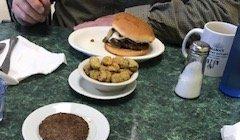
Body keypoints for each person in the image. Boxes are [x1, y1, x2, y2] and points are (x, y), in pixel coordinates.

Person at [11, 0, 240, 44]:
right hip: (64, 46)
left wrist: (133, 21)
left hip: (157, 58)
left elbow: (226, 11)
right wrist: (25, 7)